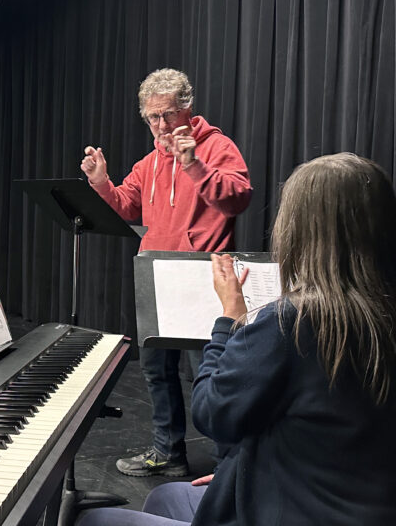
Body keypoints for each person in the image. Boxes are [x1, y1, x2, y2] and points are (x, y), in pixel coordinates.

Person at [76, 152, 396, 525]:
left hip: (291, 509)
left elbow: (213, 413)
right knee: (167, 495)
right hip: (346, 498)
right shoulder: (376, 310)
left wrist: (229, 319)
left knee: (92, 521)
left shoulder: (290, 322)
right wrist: (252, 466)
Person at [80, 68, 251, 477]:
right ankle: (167, 452)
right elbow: (126, 206)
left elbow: (238, 199)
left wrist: (193, 165)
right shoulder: (149, 162)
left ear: (187, 110)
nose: (161, 125)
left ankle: (230, 467)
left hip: (202, 280)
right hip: (156, 278)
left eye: (168, 115)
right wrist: (102, 184)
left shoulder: (218, 147)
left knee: (208, 376)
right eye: (152, 118)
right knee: (157, 371)